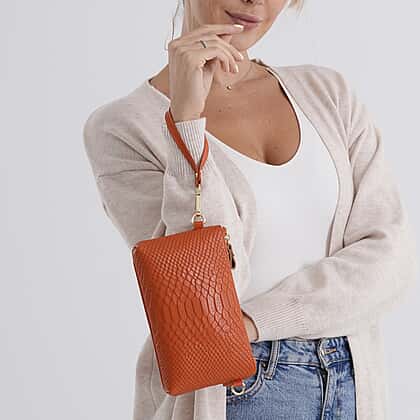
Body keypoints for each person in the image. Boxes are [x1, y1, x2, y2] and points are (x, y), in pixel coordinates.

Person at [83, 0, 418, 419]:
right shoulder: (123, 128)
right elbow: (199, 291)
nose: (255, 0)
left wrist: (252, 323)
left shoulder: (328, 95)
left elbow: (391, 260)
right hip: (233, 391)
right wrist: (186, 124)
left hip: (350, 379)